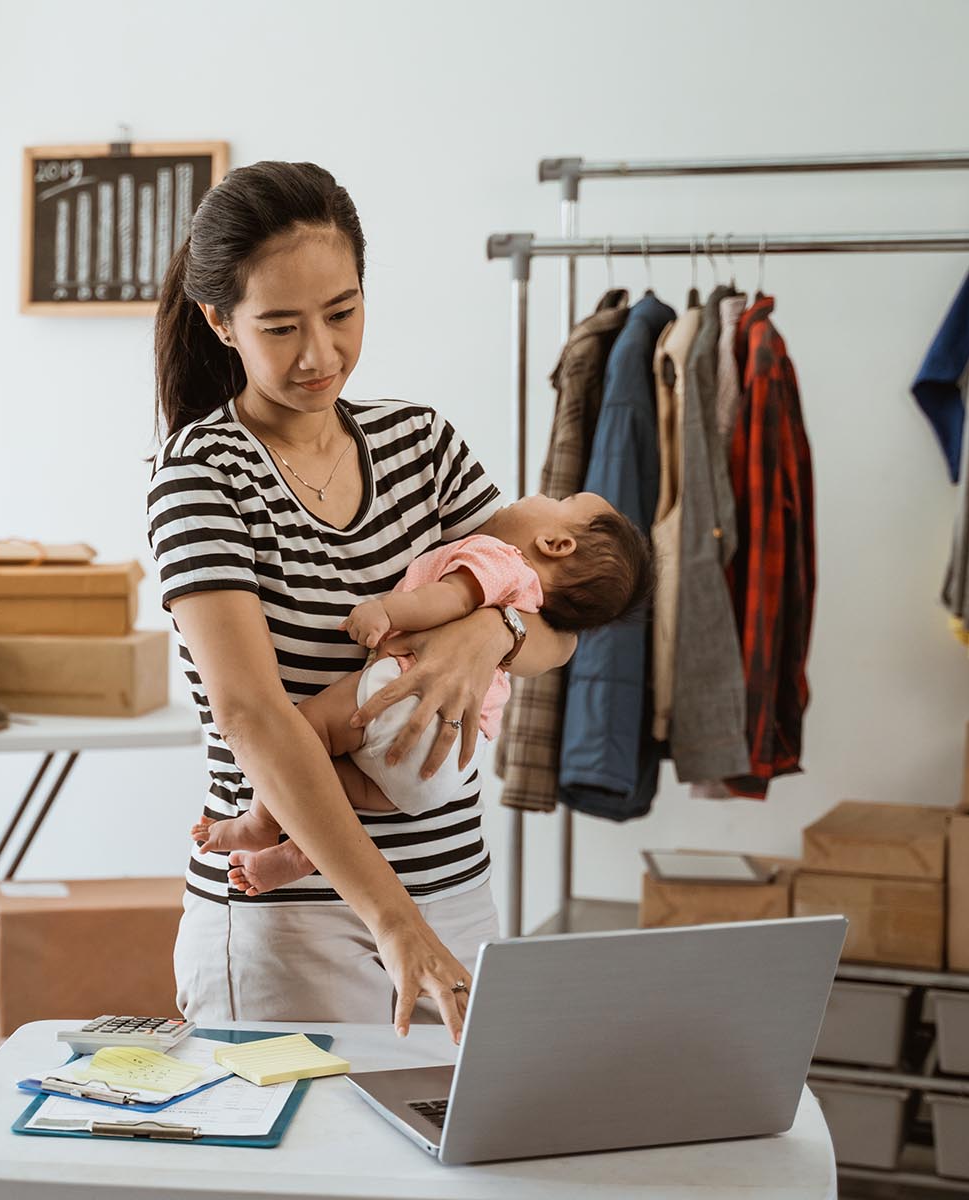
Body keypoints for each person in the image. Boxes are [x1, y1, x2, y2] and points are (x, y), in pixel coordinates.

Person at [147, 161, 578, 1042]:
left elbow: (554, 627)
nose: (320, 354)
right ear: (220, 322)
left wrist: (486, 632)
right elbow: (254, 715)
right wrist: (392, 920)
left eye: (342, 313)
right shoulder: (201, 476)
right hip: (295, 925)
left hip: (455, 896)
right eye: (281, 326)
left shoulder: (419, 440)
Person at [193, 492, 654, 896]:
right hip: (441, 770)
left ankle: (261, 823)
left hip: (404, 698)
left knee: (304, 735)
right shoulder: (532, 605)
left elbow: (450, 599)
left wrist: (385, 610)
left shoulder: (500, 559)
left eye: (556, 501)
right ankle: (301, 852)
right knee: (330, 789)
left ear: (555, 544)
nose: (534, 496)